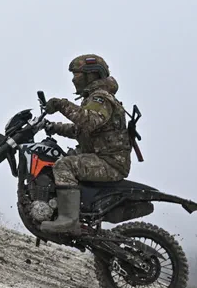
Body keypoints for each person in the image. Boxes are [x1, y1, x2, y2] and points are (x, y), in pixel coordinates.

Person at [38, 54, 131, 235]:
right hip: (102, 158)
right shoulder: (94, 98)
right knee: (58, 159)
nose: (73, 79)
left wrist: (61, 104)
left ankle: (69, 221)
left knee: (64, 165)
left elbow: (88, 121)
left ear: (91, 75)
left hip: (109, 163)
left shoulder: (101, 98)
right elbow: (80, 131)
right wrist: (53, 127)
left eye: (77, 74)